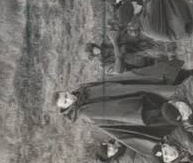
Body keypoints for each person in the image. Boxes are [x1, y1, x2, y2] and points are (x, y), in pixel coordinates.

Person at [55, 59, 186, 155]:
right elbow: (114, 114)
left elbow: (107, 83)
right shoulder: (85, 113)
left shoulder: (82, 90)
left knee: (157, 84)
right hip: (134, 107)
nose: (69, 97)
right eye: (66, 101)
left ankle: (189, 83)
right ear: (66, 108)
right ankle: (190, 101)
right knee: (164, 100)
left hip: (127, 90)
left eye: (66, 95)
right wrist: (136, 109)